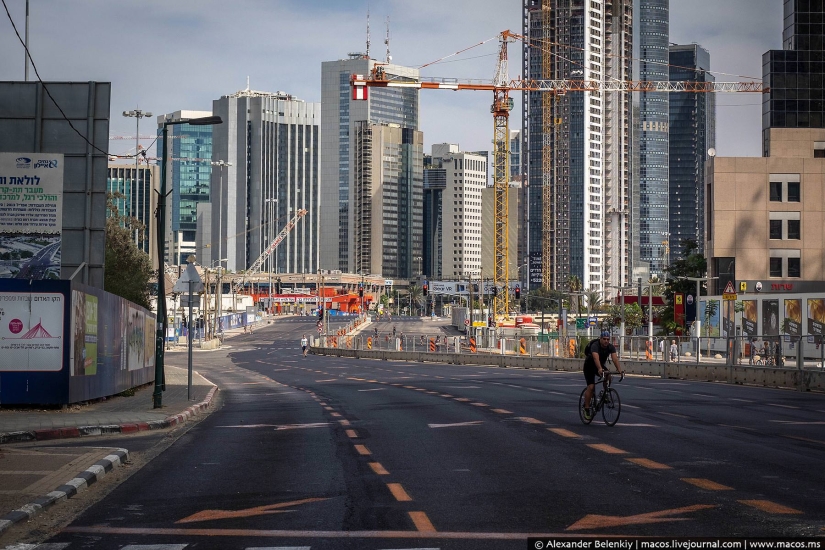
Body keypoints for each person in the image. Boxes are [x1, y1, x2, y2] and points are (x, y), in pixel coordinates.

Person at [582, 330, 624, 421]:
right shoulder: (595, 346)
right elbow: (595, 358)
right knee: (591, 387)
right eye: (604, 339)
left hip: (600, 365)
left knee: (608, 375)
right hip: (589, 366)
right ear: (600, 339)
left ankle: (605, 393)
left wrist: (619, 370)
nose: (606, 341)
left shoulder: (610, 347)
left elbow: (615, 359)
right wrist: (600, 369)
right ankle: (587, 408)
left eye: (608, 339)